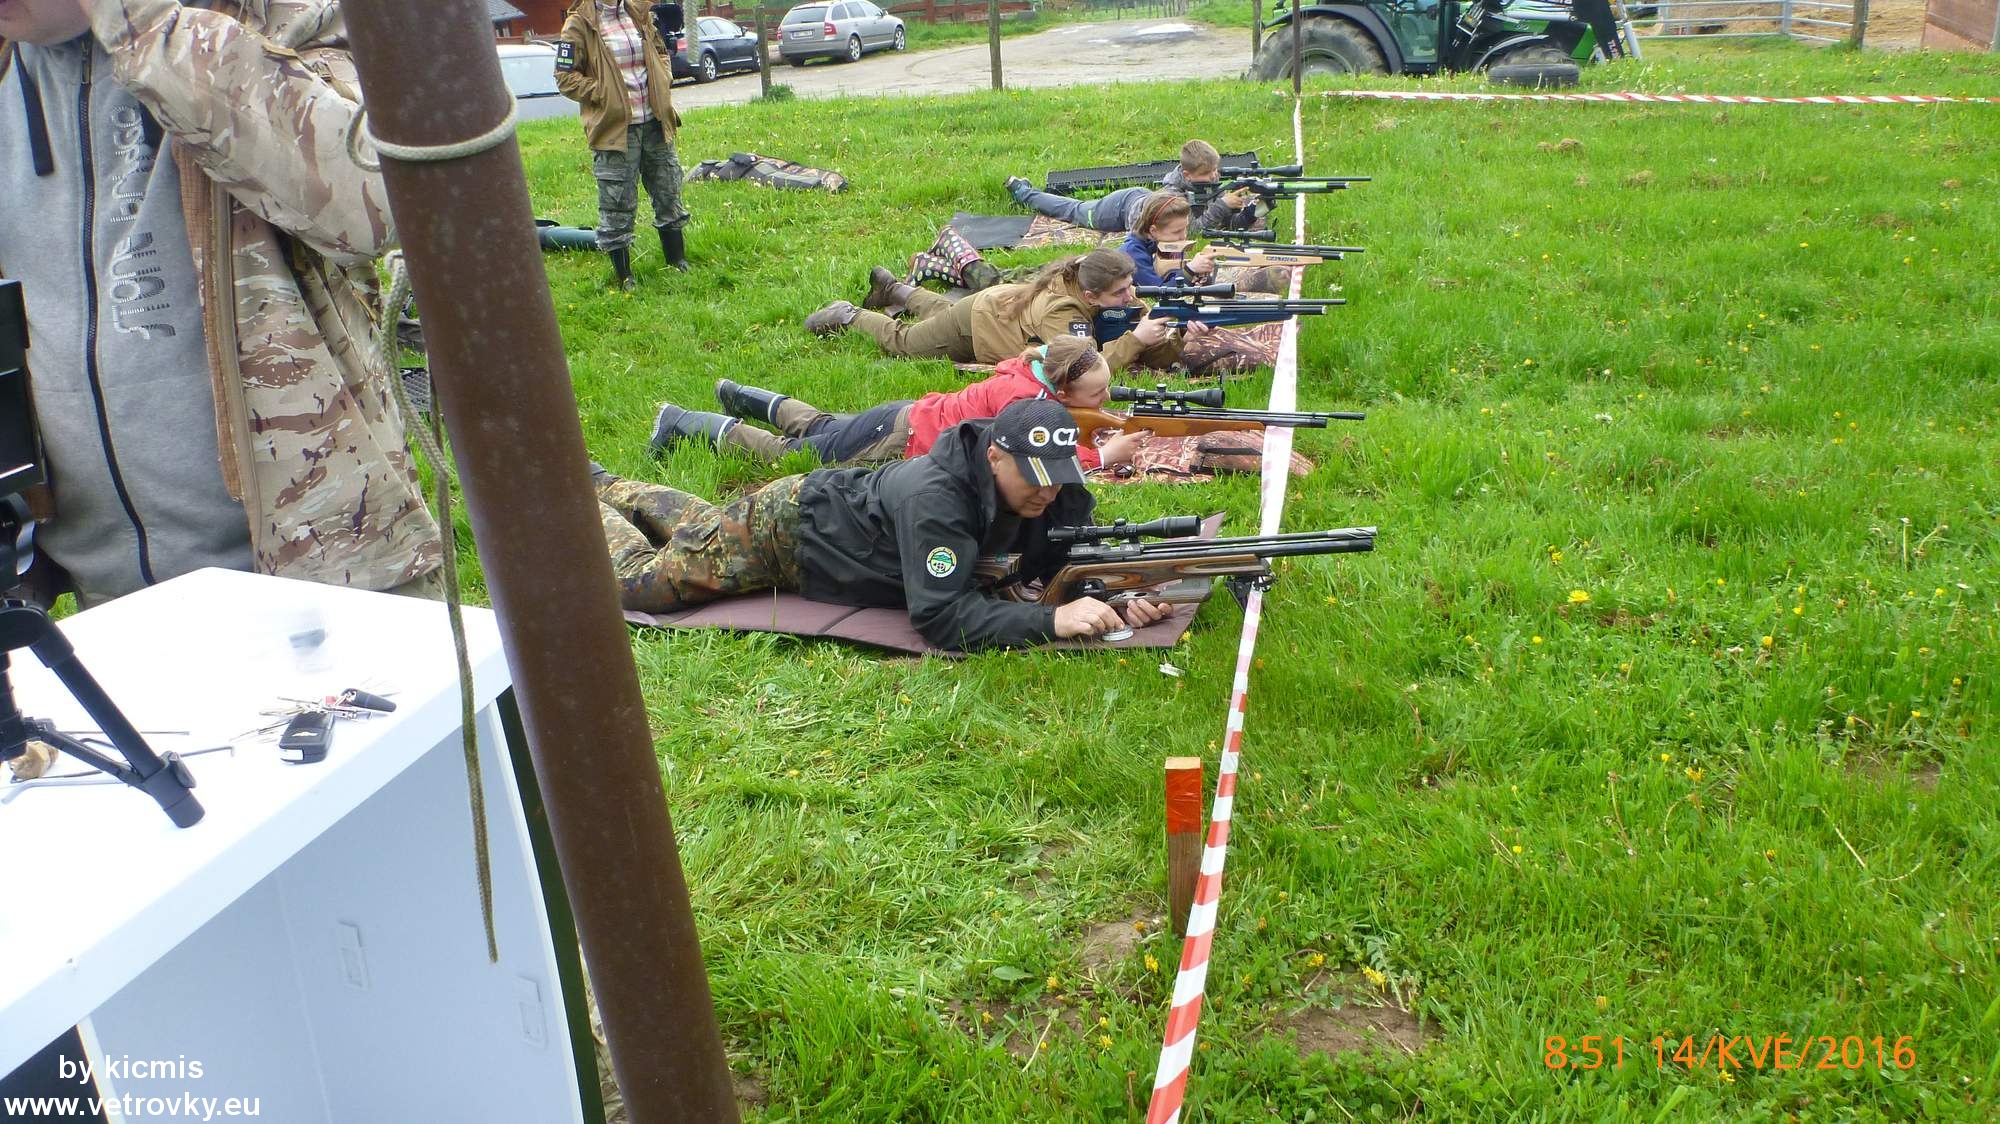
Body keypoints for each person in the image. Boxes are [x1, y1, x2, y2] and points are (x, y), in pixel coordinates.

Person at [0, 0, 442, 610]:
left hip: (323, 574)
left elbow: (372, 205)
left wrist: (143, 28)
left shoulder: (273, 16)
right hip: (107, 602)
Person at [594, 398, 1170, 650]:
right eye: (1034, 476)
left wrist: (1115, 596)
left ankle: (606, 482)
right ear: (995, 457)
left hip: (826, 520)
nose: (1048, 491)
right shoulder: (938, 500)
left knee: (702, 527)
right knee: (638, 584)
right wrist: (1051, 620)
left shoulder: (1056, 488)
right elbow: (940, 616)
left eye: (1058, 476)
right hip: (787, 534)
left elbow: (1069, 559)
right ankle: (583, 501)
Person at [648, 336, 1153, 471]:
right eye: (1097, 394)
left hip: (903, 416)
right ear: (1061, 391)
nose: (1106, 398)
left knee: (819, 427)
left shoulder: (1032, 371)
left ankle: (737, 395)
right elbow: (1033, 457)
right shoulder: (1025, 402)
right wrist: (1101, 456)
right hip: (900, 438)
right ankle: (682, 421)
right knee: (793, 456)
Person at [807, 249, 1198, 374]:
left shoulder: (1110, 293)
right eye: (1121, 292)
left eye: (1131, 286)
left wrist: (1176, 337)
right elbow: (1079, 368)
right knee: (906, 343)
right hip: (978, 323)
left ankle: (894, 289)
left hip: (1000, 306)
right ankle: (848, 314)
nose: (1132, 296)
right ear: (1091, 296)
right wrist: (1135, 340)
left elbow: (1150, 351)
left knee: (942, 309)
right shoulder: (1063, 313)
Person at [555, 0, 690, 290]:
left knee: (668, 191)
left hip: (655, 122)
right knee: (617, 203)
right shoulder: (579, 24)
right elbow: (564, 77)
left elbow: (660, 50)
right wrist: (603, 92)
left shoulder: (640, 12)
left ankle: (677, 260)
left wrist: (663, 75)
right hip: (615, 129)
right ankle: (624, 276)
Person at [1001, 139, 1258, 235]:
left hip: (1143, 199)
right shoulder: (1171, 196)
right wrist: (1221, 206)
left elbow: (1222, 224)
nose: (1214, 177)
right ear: (1187, 175)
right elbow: (1189, 230)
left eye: (1216, 170)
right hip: (1121, 209)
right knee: (1073, 210)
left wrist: (1249, 213)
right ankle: (1025, 192)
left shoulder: (1208, 185)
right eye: (1207, 173)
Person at [1119, 192, 1220, 289]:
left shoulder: (1166, 245)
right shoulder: (1132, 254)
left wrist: (1199, 275)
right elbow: (1158, 293)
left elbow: (1173, 278)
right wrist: (1190, 270)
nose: (1183, 236)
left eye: (1185, 229)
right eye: (1176, 232)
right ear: (1153, 231)